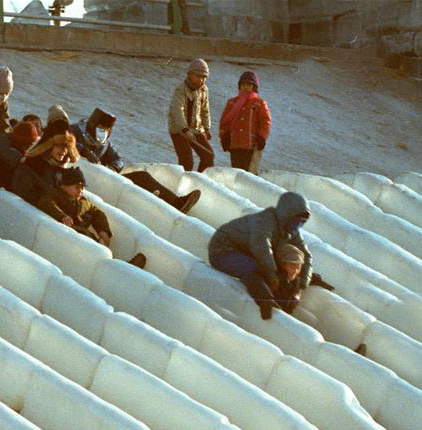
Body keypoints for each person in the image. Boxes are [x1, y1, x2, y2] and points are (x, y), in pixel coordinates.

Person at [73, 107, 201, 214]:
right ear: (93, 124)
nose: (104, 132)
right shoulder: (75, 131)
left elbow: (117, 159)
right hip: (78, 178)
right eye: (101, 128)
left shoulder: (104, 144)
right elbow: (61, 139)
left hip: (102, 179)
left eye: (107, 130)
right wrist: (83, 151)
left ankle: (176, 202)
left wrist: (113, 168)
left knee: (141, 176)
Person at [208, 191, 312, 320]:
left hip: (245, 250)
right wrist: (272, 276)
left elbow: (306, 256)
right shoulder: (264, 221)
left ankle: (283, 306)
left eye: (302, 222)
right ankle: (265, 301)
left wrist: (302, 283)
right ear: (287, 215)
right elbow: (261, 246)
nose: (298, 224)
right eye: (297, 220)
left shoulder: (292, 231)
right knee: (252, 268)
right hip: (223, 250)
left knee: (283, 272)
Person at [38, 166, 112, 246]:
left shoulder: (83, 202)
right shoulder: (57, 195)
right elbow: (47, 202)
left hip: (85, 236)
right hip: (69, 237)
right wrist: (62, 216)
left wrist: (103, 230)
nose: (80, 191)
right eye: (77, 187)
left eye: (82, 187)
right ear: (64, 187)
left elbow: (96, 212)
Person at [219, 70, 272, 174]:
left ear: (254, 86)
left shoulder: (259, 103)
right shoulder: (232, 103)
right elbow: (224, 122)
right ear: (239, 85)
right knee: (236, 173)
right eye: (243, 84)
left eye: (249, 84)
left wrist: (262, 137)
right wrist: (224, 136)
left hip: (251, 145)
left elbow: (265, 122)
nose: (246, 87)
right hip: (235, 144)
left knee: (249, 173)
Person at [168, 58, 215, 172]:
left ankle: (200, 181)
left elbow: (205, 110)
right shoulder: (180, 90)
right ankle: (184, 186)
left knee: (208, 156)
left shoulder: (204, 90)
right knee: (187, 161)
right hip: (179, 130)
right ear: (190, 74)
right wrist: (184, 130)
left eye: (204, 77)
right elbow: (177, 111)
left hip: (196, 129)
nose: (201, 80)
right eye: (198, 76)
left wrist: (207, 128)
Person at [10, 131, 78, 205]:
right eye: (59, 146)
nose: (64, 150)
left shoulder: (59, 170)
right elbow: (20, 192)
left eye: (66, 147)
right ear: (49, 147)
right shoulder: (31, 164)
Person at [0, 120, 38, 189]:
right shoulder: (2, 142)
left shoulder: (22, 148)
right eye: (27, 145)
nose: (28, 147)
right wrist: (20, 159)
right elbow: (3, 150)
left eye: (30, 145)